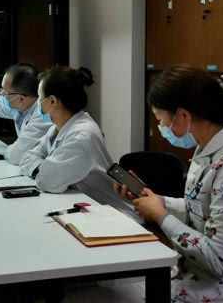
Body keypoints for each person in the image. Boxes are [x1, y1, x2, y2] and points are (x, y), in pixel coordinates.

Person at [115, 64, 223, 302]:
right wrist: (156, 200)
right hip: (192, 280)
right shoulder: (209, 149)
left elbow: (219, 259)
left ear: (183, 115)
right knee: (109, 288)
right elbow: (202, 210)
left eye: (160, 119)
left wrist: (161, 216)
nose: (160, 127)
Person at [19, 66, 136, 219]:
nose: (38, 105)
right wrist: (43, 168)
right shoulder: (59, 128)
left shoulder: (81, 136)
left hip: (118, 217)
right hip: (89, 209)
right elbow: (26, 158)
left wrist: (43, 169)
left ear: (52, 101)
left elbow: (46, 181)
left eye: (40, 100)